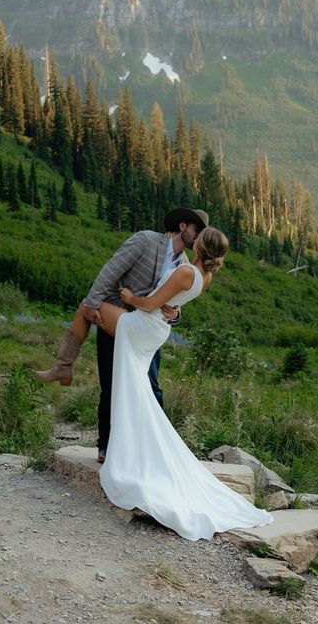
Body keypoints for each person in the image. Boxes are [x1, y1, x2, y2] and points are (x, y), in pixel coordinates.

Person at [100, 227, 274, 540]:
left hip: (143, 325)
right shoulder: (204, 277)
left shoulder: (186, 272)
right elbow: (172, 302)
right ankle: (131, 443)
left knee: (99, 309)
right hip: (155, 330)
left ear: (200, 247)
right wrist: (174, 310)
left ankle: (67, 367)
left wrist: (128, 297)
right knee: (137, 390)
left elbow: (152, 303)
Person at [35, 207, 208, 463]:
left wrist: (176, 315)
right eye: (197, 230)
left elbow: (174, 303)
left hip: (145, 330)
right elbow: (111, 270)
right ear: (183, 226)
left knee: (151, 387)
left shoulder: (184, 267)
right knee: (111, 385)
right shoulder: (146, 240)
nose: (198, 237)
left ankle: (154, 448)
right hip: (116, 320)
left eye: (203, 234)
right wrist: (94, 303)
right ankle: (105, 447)